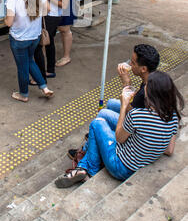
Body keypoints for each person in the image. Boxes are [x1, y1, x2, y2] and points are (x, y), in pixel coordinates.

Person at [55, 70, 184, 187]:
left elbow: (119, 138)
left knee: (97, 123)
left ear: (151, 92)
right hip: (140, 163)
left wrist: (124, 106)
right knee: (102, 128)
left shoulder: (138, 115)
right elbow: (169, 150)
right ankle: (84, 161)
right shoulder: (173, 116)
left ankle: (88, 169)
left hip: (120, 167)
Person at [67, 43, 160, 158]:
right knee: (111, 102)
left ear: (143, 69)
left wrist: (126, 83)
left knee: (102, 114)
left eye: (133, 62)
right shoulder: (153, 79)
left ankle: (85, 152)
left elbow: (128, 111)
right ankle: (95, 137)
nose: (130, 64)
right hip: (147, 119)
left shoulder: (144, 92)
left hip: (138, 129)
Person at [5, 0, 53, 102]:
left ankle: (23, 94)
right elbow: (48, 10)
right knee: (30, 61)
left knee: (22, 67)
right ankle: (44, 87)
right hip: (35, 37)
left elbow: (8, 23)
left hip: (19, 39)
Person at [32, 0, 71, 81]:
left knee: (40, 44)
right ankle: (50, 70)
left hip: (53, 17)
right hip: (47, 15)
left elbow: (64, 4)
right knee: (49, 42)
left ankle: (41, 75)